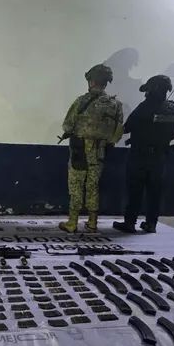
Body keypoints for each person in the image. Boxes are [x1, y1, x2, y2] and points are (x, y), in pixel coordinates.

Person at [59, 64, 124, 233]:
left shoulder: (82, 101)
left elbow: (67, 125)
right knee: (93, 186)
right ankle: (93, 222)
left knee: (76, 185)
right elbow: (117, 133)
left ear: (92, 81)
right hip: (100, 151)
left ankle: (72, 223)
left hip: (79, 149)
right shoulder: (116, 104)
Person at [113, 75, 174, 234]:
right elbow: (172, 135)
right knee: (154, 191)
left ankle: (130, 223)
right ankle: (151, 224)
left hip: (139, 155)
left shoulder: (145, 107)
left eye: (148, 90)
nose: (146, 94)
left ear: (154, 89)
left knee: (135, 189)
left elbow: (127, 127)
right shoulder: (173, 110)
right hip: (159, 157)